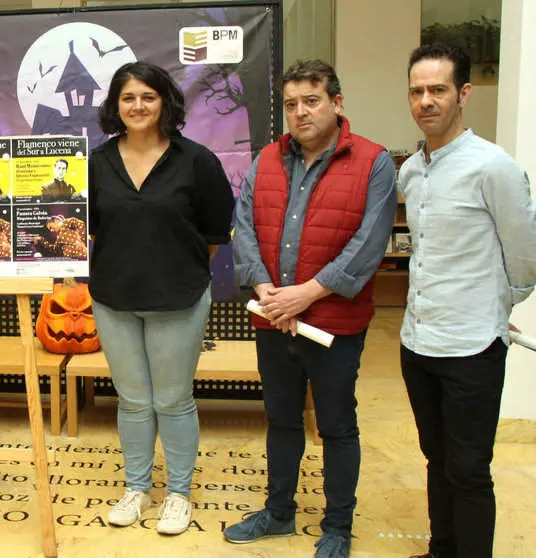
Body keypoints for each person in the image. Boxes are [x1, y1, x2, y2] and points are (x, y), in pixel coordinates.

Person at [225, 59, 397, 557]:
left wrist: (307, 293)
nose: (300, 113)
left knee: (337, 425)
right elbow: (245, 228)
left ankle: (338, 526)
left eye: (312, 101)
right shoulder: (266, 160)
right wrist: (264, 289)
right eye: (291, 104)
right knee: (280, 419)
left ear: (337, 104)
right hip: (273, 317)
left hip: (333, 326)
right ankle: (279, 512)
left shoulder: (373, 161)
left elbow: (368, 244)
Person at [398, 44, 536, 558]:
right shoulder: (411, 171)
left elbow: (526, 257)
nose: (426, 100)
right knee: (436, 457)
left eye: (438, 90)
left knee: (470, 469)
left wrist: (495, 311)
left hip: (472, 348)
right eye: (417, 91)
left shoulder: (493, 167)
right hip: (418, 343)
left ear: (464, 94)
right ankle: (441, 551)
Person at [88, 61, 234, 536]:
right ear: (115, 106)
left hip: (179, 297)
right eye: (128, 98)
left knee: (172, 400)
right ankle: (136, 488)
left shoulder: (197, 161)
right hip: (113, 298)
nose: (138, 106)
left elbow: (214, 233)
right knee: (132, 400)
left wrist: (176, 267)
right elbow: (85, 230)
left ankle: (178, 494)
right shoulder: (96, 163)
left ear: (164, 102)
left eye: (147, 97)